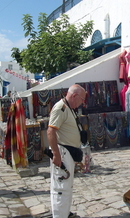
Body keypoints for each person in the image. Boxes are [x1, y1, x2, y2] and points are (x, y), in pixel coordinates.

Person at [47, 84, 86, 218]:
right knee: (61, 186)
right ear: (74, 96)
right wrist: (56, 155)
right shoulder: (61, 108)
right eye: (82, 99)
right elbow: (51, 131)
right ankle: (59, 215)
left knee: (66, 186)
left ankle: (64, 212)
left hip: (68, 153)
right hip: (62, 153)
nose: (82, 103)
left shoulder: (69, 108)